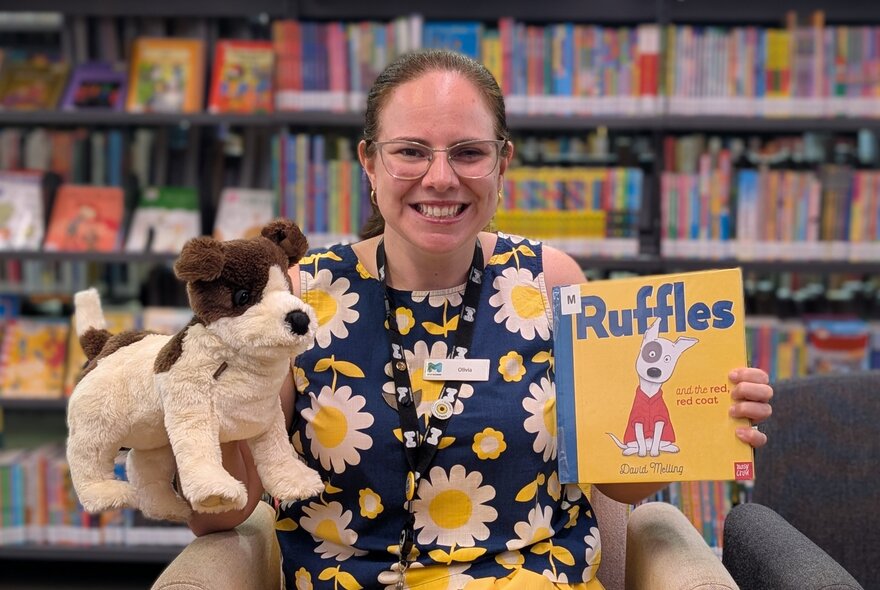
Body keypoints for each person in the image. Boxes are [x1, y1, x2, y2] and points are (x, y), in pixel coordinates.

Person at [188, 49, 773, 590]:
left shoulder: (552, 284)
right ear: (369, 162)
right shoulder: (295, 299)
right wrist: (202, 417)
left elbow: (620, 482)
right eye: (411, 151)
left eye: (468, 152)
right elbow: (225, 510)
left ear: (501, 164)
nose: (440, 178)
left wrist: (703, 413)